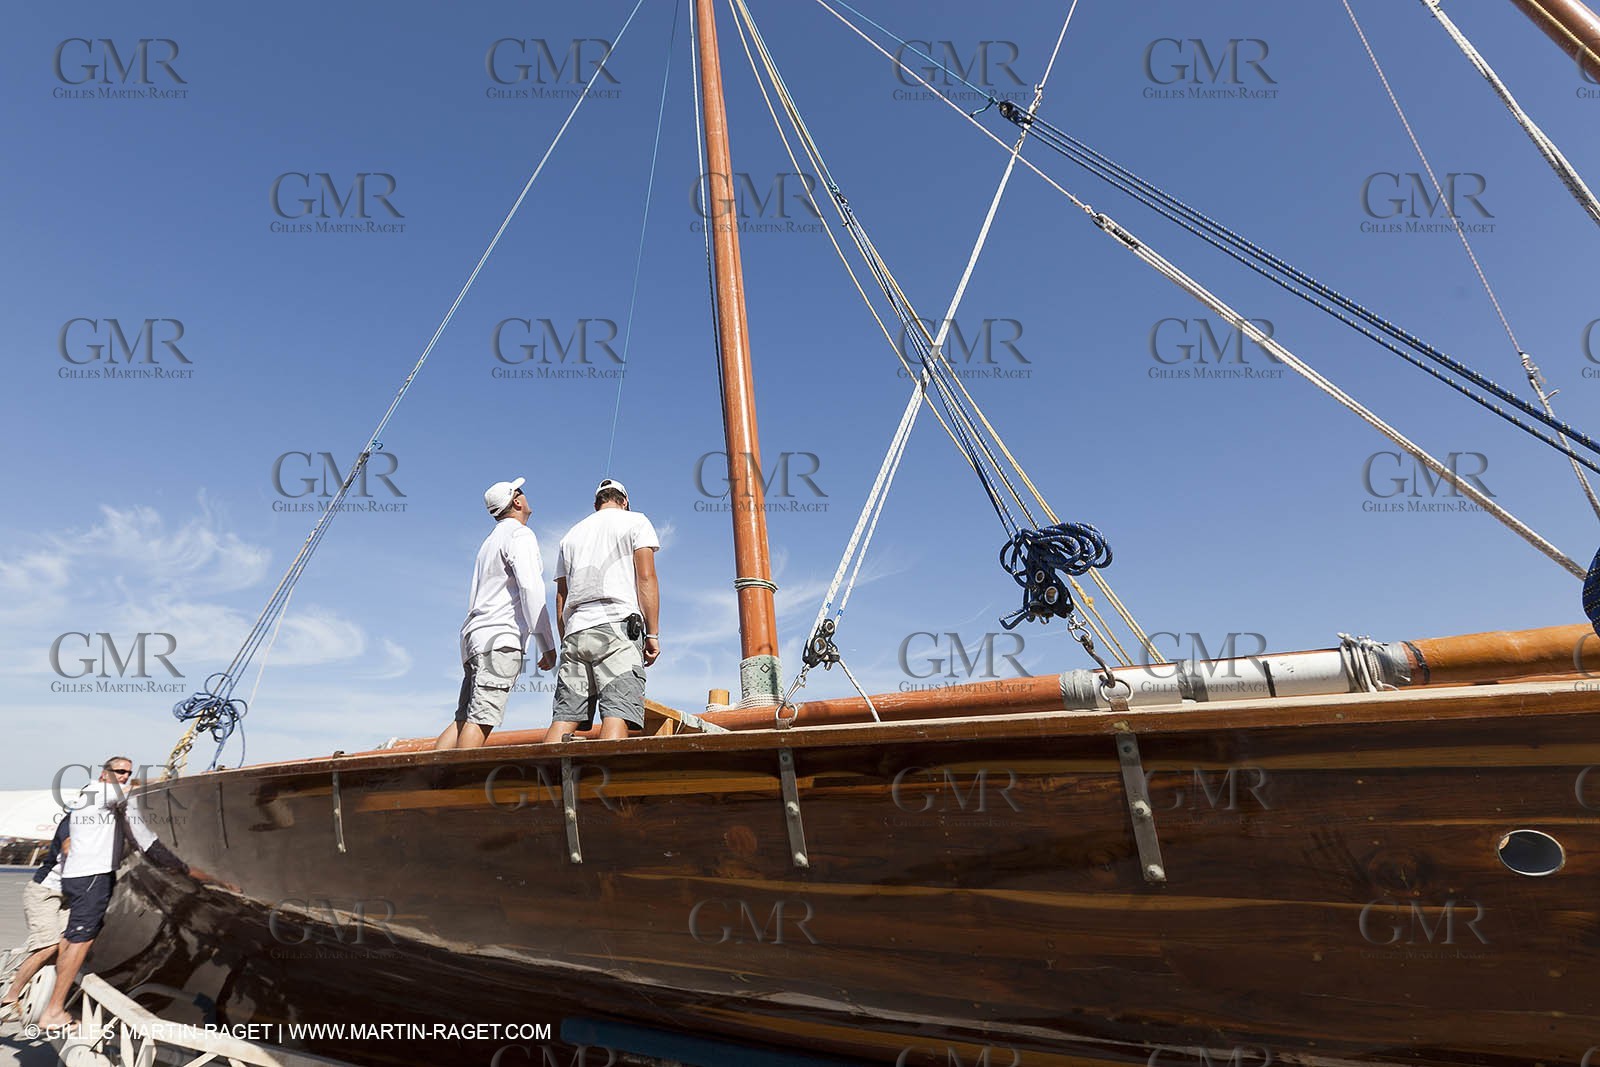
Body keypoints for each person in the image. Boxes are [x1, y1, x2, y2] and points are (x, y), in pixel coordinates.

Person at [37, 757, 196, 1032]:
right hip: (92, 877)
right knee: (81, 940)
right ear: (104, 773)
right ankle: (53, 1011)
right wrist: (181, 868)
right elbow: (144, 839)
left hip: (79, 877)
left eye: (128, 773)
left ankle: (56, 998)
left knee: (73, 937)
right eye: (118, 771)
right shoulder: (108, 792)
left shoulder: (90, 793)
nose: (123, 776)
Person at [435, 477, 558, 751]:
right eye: (522, 492)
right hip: (499, 639)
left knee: (462, 719)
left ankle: (430, 781)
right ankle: (458, 787)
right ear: (516, 501)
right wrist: (547, 646)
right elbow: (531, 589)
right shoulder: (520, 535)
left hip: (474, 638)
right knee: (481, 719)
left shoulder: (490, 542)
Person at [543, 479, 661, 743]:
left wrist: (565, 639)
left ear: (596, 504)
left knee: (564, 717)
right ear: (625, 501)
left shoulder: (570, 535)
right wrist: (652, 633)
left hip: (576, 630)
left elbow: (561, 596)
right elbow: (646, 578)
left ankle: (545, 780)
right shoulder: (636, 521)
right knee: (617, 713)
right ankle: (606, 783)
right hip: (617, 626)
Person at [0, 817, 70, 1017]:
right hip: (45, 891)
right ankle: (10, 997)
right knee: (48, 946)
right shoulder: (74, 821)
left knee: (68, 946)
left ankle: (45, 990)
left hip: (71, 894)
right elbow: (68, 849)